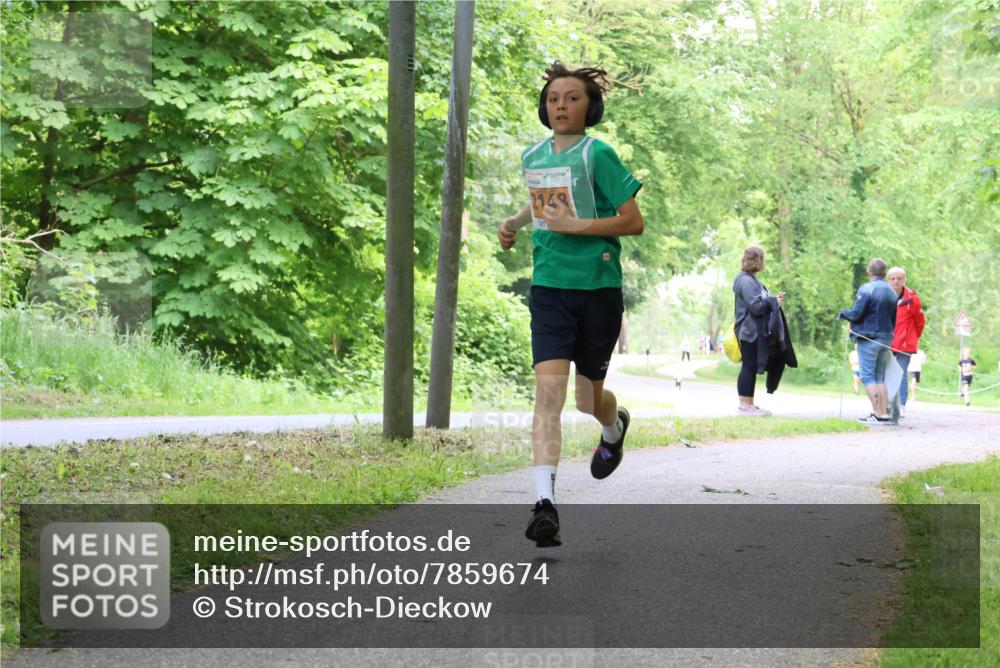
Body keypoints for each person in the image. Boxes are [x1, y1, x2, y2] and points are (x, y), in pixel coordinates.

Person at [497, 62, 644, 547]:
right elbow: (542, 202)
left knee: (587, 401)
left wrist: (577, 228)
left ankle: (613, 424)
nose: (561, 105)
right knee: (548, 396)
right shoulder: (533, 155)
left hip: (597, 289)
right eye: (554, 98)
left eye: (572, 98)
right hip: (550, 288)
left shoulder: (598, 155)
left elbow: (632, 221)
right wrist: (515, 224)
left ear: (590, 107)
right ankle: (545, 505)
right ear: (545, 107)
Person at [839, 258, 898, 424]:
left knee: (867, 376)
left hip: (869, 338)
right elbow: (894, 318)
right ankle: (884, 414)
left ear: (869, 272)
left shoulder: (867, 289)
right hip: (886, 337)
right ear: (885, 274)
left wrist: (843, 314)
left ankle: (877, 414)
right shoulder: (892, 292)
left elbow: (857, 313)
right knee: (879, 376)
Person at [733, 245, 786, 416]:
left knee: (752, 366)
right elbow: (756, 306)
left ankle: (750, 403)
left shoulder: (752, 279)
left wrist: (773, 301)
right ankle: (744, 406)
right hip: (749, 331)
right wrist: (773, 302)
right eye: (762, 259)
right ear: (757, 260)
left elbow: (760, 302)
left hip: (756, 330)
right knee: (748, 367)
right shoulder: (745, 281)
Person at [887, 267, 926, 416]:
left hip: (905, 343)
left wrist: (913, 337)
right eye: (893, 278)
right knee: (886, 373)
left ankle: (901, 405)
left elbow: (920, 321)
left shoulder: (912, 299)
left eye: (899, 278)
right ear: (888, 280)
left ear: (904, 280)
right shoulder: (883, 296)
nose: (896, 281)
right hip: (886, 342)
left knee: (901, 373)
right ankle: (888, 404)